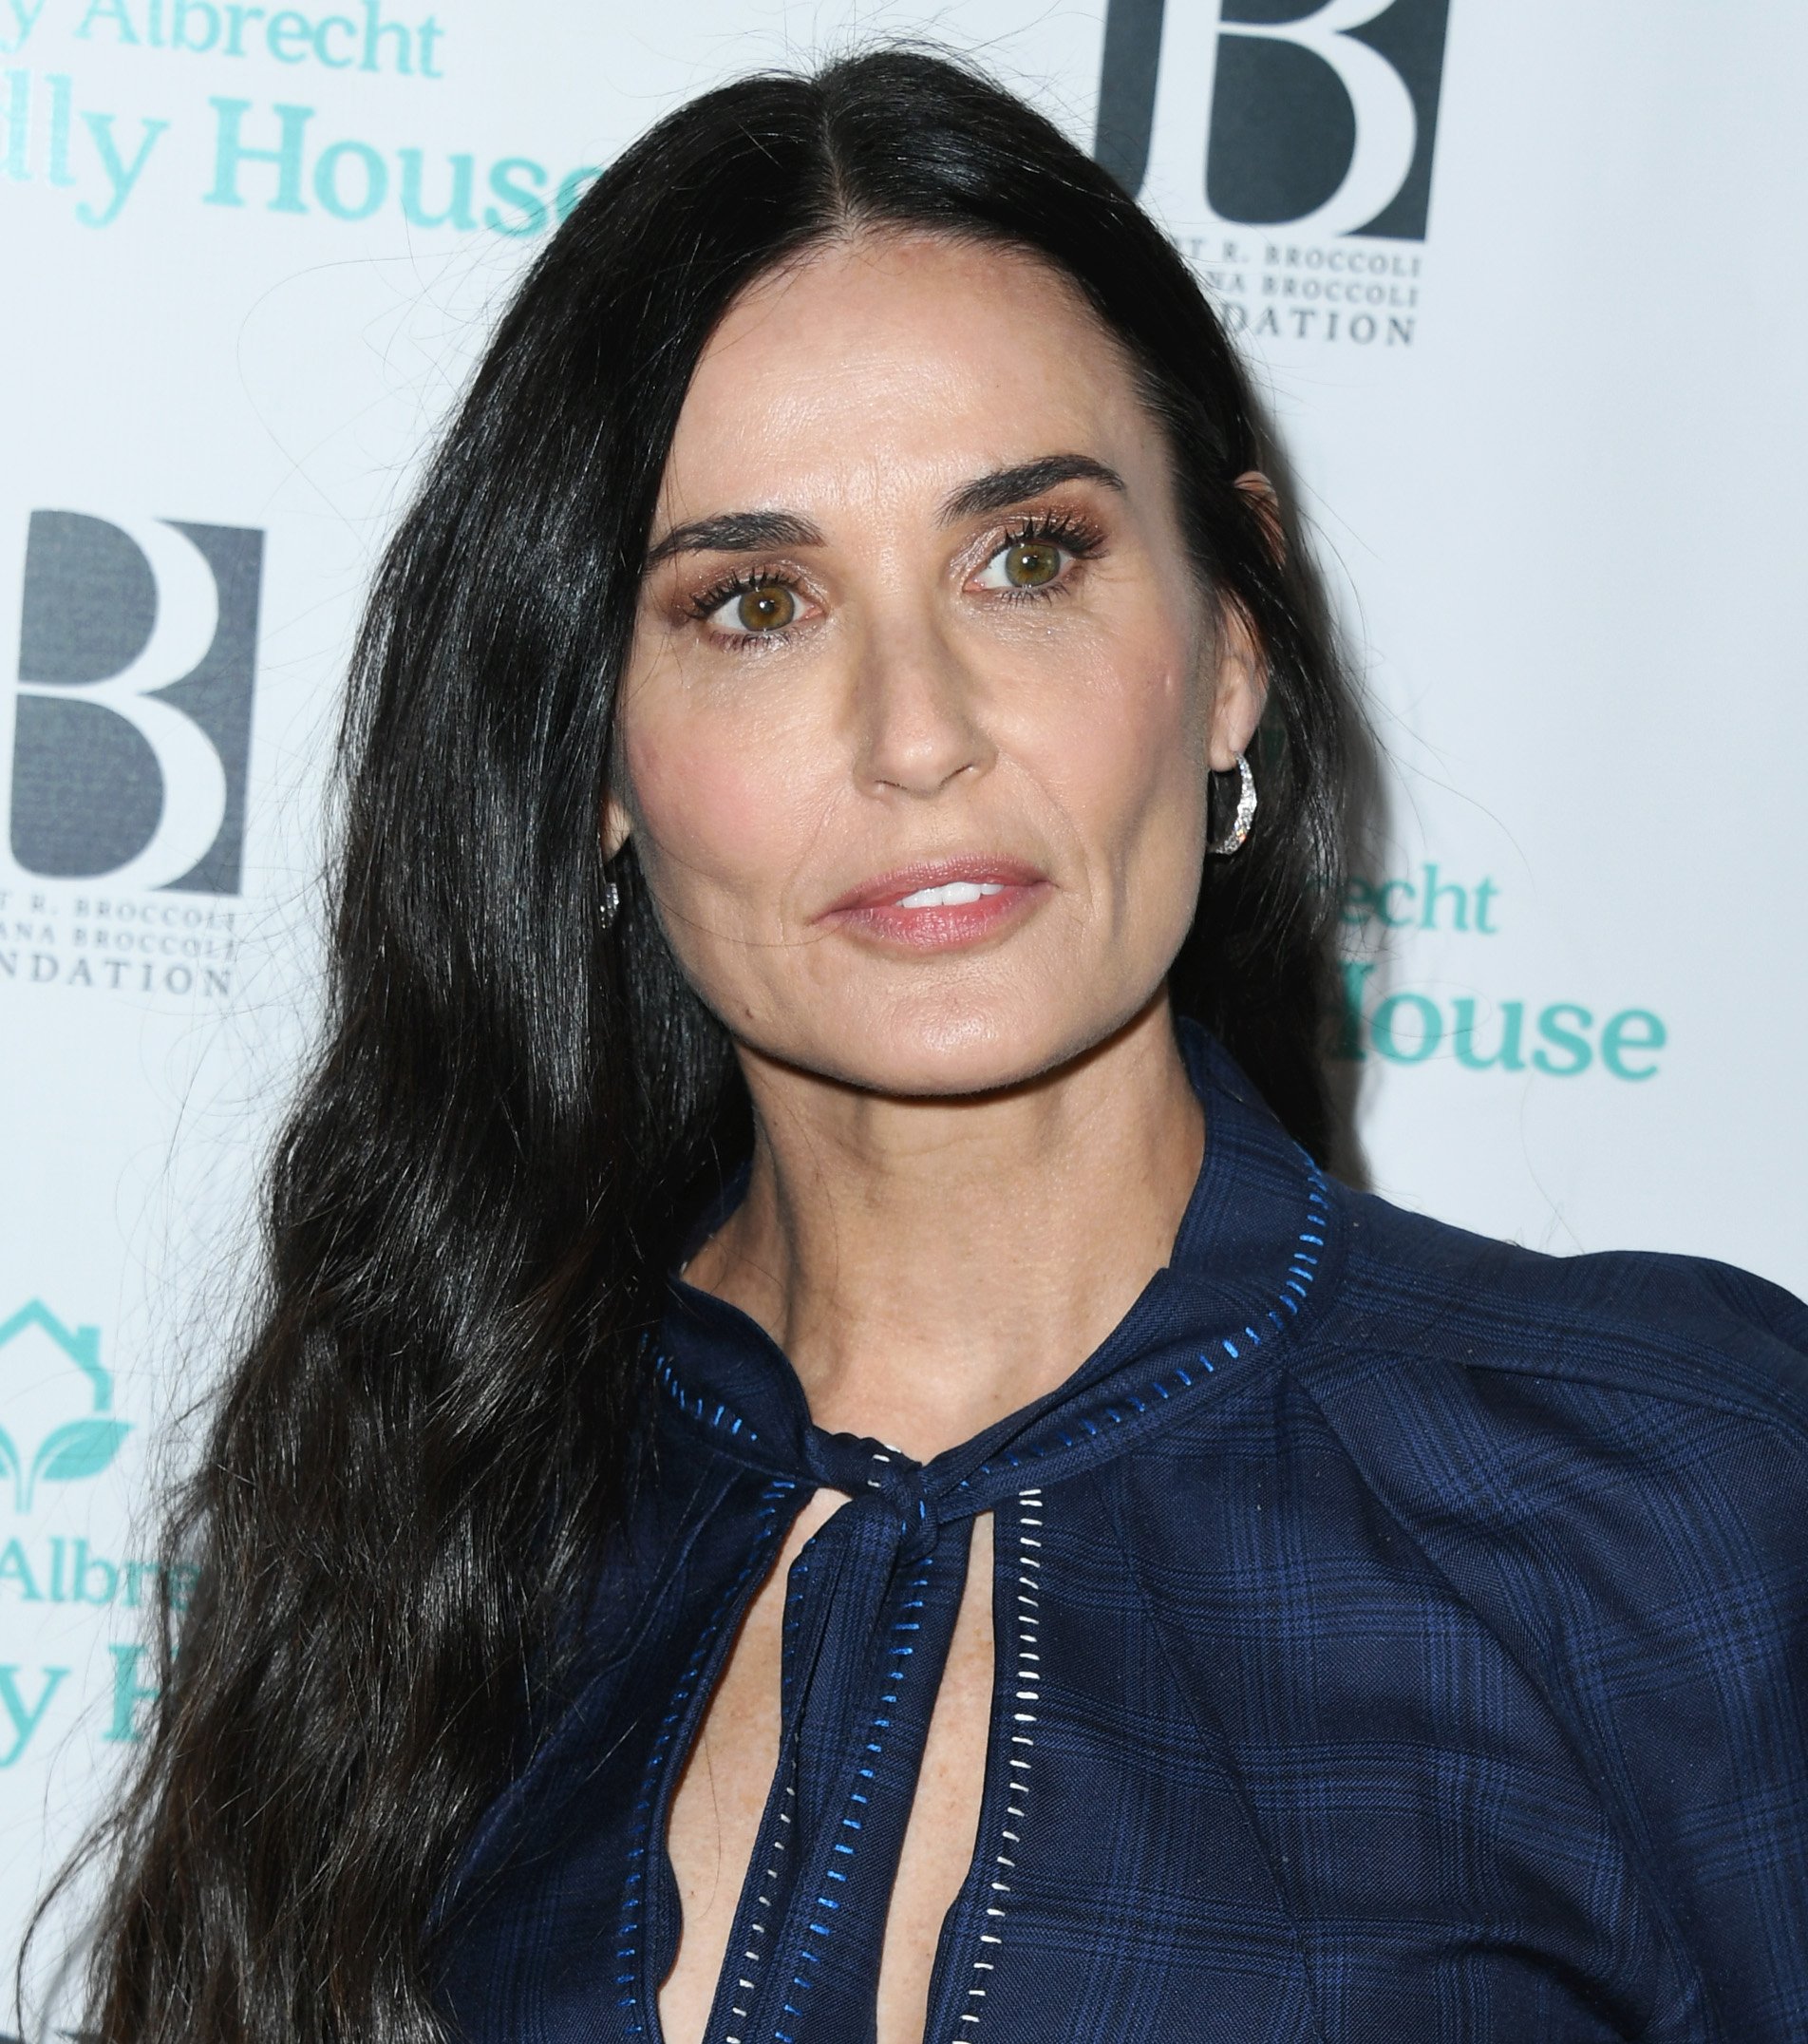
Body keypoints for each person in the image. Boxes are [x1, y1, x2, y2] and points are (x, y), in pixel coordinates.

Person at [71, 46, 1807, 2044]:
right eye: (753, 603)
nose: (916, 732)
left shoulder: (1669, 1498)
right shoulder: (447, 1513)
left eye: (1028, 556)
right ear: (599, 760)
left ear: (1231, 639)